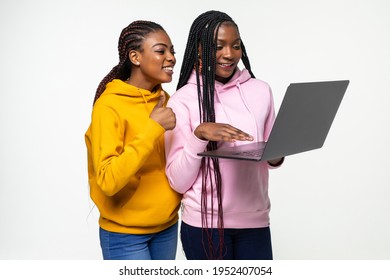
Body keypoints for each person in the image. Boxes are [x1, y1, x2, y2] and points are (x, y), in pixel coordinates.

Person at [164, 10, 284, 260]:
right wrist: (200, 135)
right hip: (204, 226)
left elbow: (271, 154)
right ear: (199, 50)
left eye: (236, 45)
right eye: (218, 46)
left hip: (256, 222)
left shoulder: (261, 90)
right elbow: (177, 181)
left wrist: (277, 155)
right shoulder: (183, 100)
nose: (229, 54)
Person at [84, 20, 181, 260]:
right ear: (135, 57)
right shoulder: (109, 106)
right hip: (124, 235)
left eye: (172, 51)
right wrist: (152, 128)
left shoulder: (165, 100)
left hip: (167, 226)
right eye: (161, 51)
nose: (171, 58)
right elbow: (107, 180)